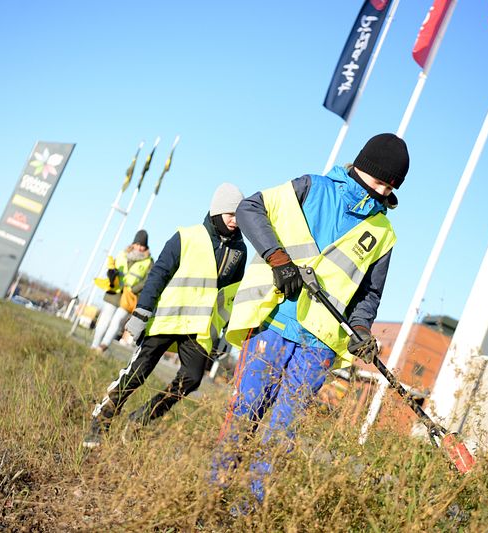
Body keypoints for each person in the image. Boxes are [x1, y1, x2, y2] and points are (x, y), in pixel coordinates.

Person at [211, 133, 410, 504]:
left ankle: (248, 511)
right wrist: (277, 257)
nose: (385, 191)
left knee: (281, 433)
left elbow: (369, 295)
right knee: (244, 414)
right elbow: (250, 208)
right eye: (381, 181)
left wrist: (362, 329)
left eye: (392, 186)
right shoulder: (311, 187)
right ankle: (214, 496)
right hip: (272, 322)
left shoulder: (384, 233)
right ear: (363, 168)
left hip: (319, 343)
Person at [83, 183, 247, 448]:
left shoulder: (240, 252)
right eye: (230, 214)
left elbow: (228, 297)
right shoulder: (187, 236)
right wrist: (141, 312)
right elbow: (159, 273)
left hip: (200, 329)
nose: (235, 220)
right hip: (167, 318)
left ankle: (141, 418)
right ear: (217, 211)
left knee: (192, 379)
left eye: (239, 215)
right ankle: (101, 422)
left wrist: (219, 337)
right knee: (137, 372)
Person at [90, 230, 153, 353]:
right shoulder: (122, 254)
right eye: (138, 244)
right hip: (114, 291)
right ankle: (94, 345)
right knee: (104, 319)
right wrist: (111, 274)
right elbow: (112, 267)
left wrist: (134, 290)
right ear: (133, 243)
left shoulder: (149, 262)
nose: (140, 248)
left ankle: (102, 347)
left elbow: (148, 280)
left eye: (143, 246)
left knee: (117, 321)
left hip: (130, 296)